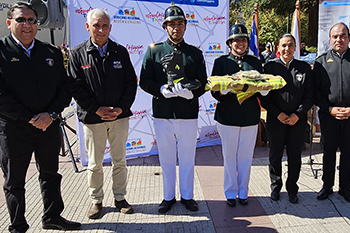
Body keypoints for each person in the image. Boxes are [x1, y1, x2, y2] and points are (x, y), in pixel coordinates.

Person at [0, 3, 81, 232]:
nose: (27, 25)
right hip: (15, 128)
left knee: (50, 174)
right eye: (21, 20)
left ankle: (52, 216)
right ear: (9, 23)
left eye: (32, 20)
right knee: (14, 181)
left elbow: (65, 88)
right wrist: (29, 118)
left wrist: (51, 115)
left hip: (48, 126)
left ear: (38, 24)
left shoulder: (51, 53)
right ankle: (18, 225)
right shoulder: (1, 52)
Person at [68, 9, 137, 218]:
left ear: (110, 28)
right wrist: (96, 109)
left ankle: (120, 198)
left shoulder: (120, 51)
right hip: (92, 118)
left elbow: (130, 84)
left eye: (104, 25)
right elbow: (75, 87)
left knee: (120, 161)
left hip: (119, 117)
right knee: (95, 164)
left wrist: (120, 109)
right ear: (88, 27)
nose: (100, 29)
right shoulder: (78, 53)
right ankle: (96, 201)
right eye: (96, 25)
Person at [139, 2, 207, 214]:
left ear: (186, 26)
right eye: (171, 24)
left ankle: (187, 196)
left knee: (187, 158)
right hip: (163, 113)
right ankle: (168, 196)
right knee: (167, 158)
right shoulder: (154, 52)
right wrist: (160, 89)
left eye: (180, 24)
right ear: (165, 27)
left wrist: (192, 93)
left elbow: (203, 82)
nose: (176, 28)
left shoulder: (194, 54)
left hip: (188, 113)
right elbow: (144, 81)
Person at [211, 24, 263, 207]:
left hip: (249, 116)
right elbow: (214, 90)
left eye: (243, 40)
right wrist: (226, 89)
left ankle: (243, 192)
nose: (240, 43)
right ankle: (231, 192)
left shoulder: (255, 62)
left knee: (246, 157)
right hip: (227, 117)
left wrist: (263, 89)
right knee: (229, 156)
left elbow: (262, 87)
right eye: (236, 40)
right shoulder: (221, 62)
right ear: (230, 43)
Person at [262, 33, 313, 204]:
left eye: (290, 45)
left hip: (297, 121)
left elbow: (309, 96)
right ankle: (275, 187)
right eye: (283, 45)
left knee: (294, 156)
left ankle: (292, 189)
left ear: (295, 48)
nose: (287, 49)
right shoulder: (269, 68)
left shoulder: (304, 68)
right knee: (274, 155)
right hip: (276, 119)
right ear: (278, 48)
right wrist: (278, 113)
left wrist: (297, 114)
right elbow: (265, 96)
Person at [313, 23, 350, 201]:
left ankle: (346, 187)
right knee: (328, 152)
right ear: (330, 39)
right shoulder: (321, 62)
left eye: (342, 36)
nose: (339, 39)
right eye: (335, 36)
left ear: (348, 38)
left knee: (348, 152)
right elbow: (315, 92)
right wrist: (329, 109)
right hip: (329, 115)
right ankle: (327, 186)